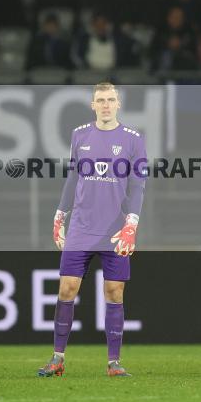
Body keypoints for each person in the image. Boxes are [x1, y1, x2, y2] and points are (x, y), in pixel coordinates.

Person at [38, 82, 147, 378]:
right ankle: (57, 359)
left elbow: (138, 185)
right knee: (67, 288)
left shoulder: (133, 139)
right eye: (101, 100)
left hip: (114, 230)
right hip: (81, 227)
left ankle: (114, 362)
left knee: (114, 292)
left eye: (111, 99)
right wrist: (60, 214)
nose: (106, 104)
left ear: (118, 104)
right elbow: (72, 179)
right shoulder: (80, 135)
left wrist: (132, 223)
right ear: (93, 104)